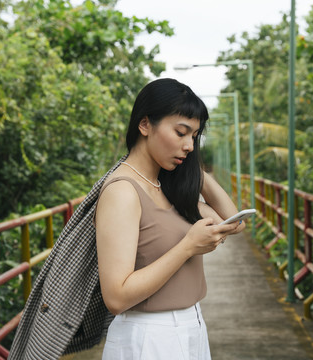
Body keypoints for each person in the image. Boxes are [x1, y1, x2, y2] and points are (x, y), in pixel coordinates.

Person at [95, 78, 245, 360]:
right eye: (181, 133)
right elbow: (116, 297)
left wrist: (195, 173)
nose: (189, 145)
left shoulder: (164, 186)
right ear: (145, 125)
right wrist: (188, 246)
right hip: (150, 338)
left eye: (195, 137)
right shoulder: (123, 192)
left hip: (191, 327)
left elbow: (233, 221)